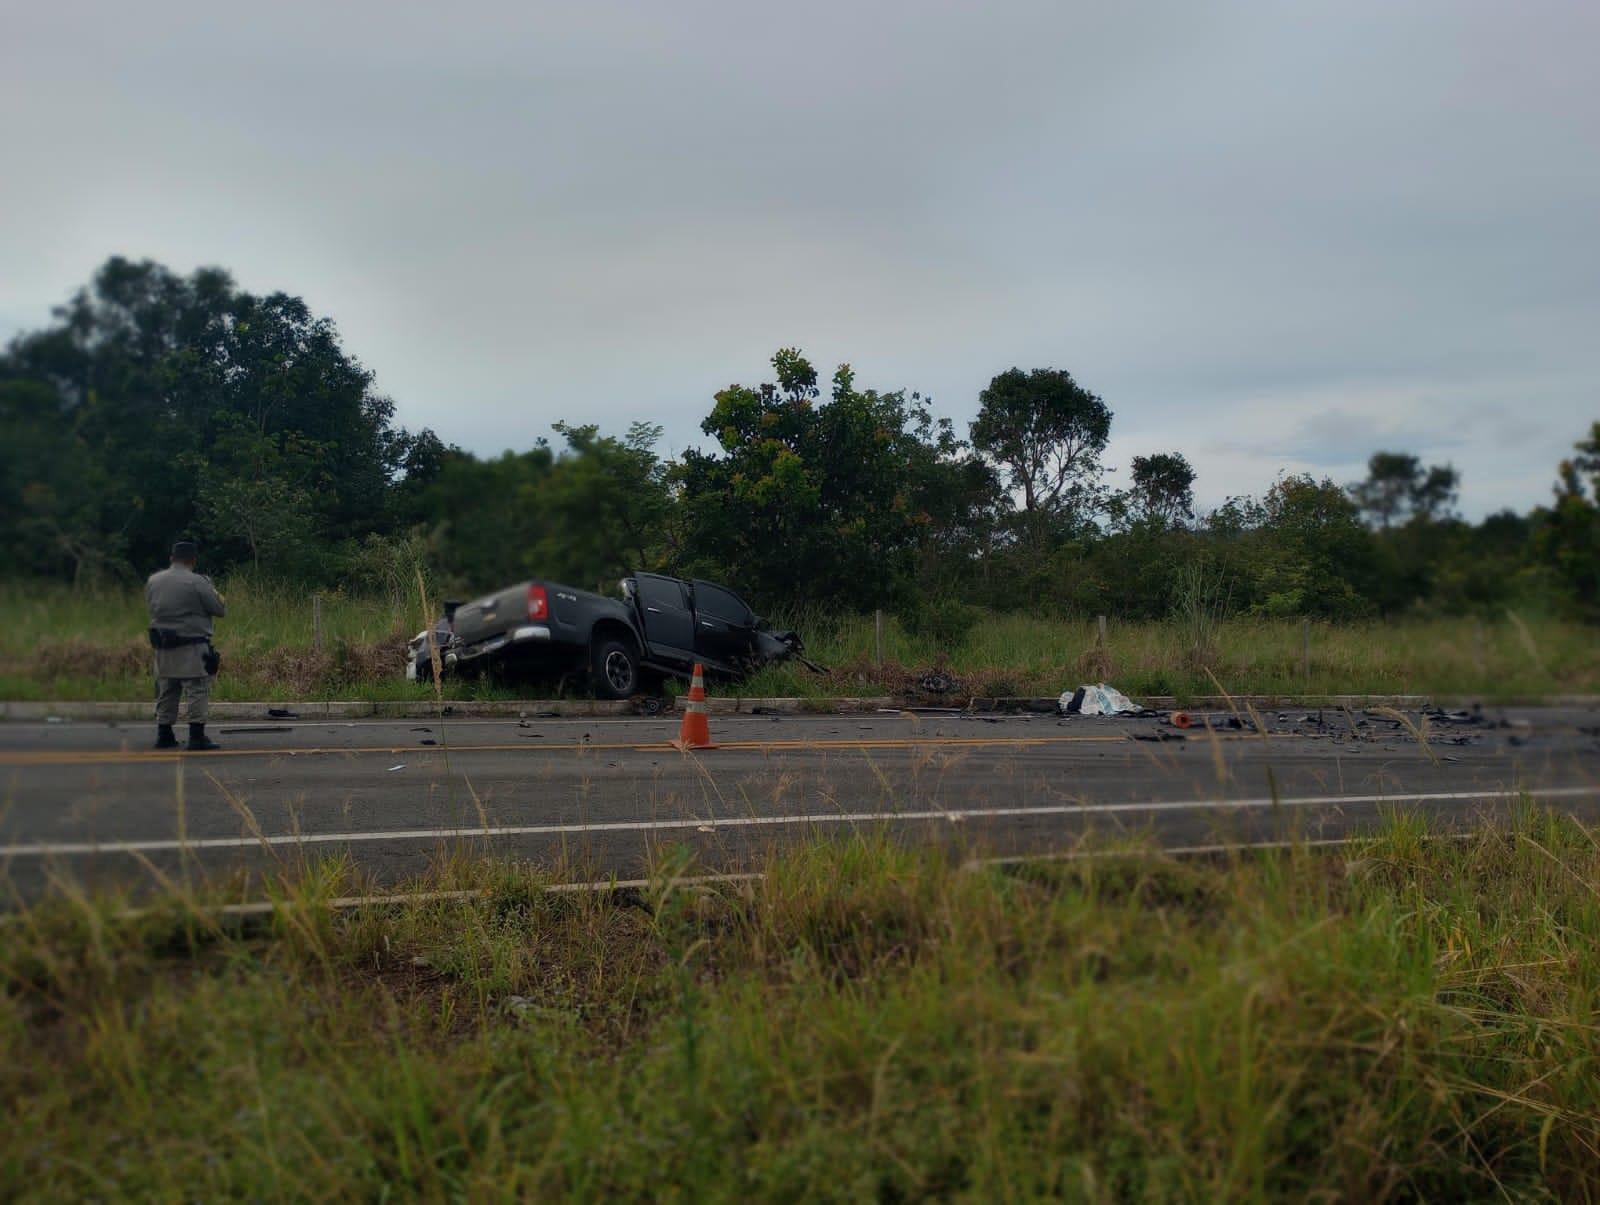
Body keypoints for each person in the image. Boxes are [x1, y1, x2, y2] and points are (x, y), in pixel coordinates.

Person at [146, 539, 226, 750]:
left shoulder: (154, 581)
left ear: (172, 558)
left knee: (167, 689)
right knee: (197, 689)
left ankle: (164, 734)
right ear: (193, 560)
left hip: (163, 647)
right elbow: (219, 609)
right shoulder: (198, 582)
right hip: (192, 646)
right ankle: (197, 736)